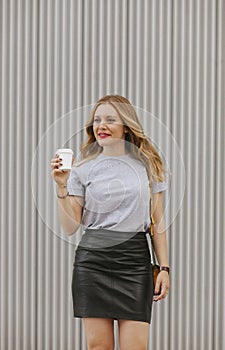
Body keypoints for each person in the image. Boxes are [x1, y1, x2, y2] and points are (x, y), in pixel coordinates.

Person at [51, 95, 170, 350]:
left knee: (135, 347)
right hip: (93, 263)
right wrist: (62, 185)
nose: (101, 125)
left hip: (134, 262)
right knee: (98, 347)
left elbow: (157, 223)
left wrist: (165, 268)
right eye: (96, 120)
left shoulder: (147, 165)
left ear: (126, 125)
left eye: (110, 119)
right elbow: (71, 226)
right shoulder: (82, 168)